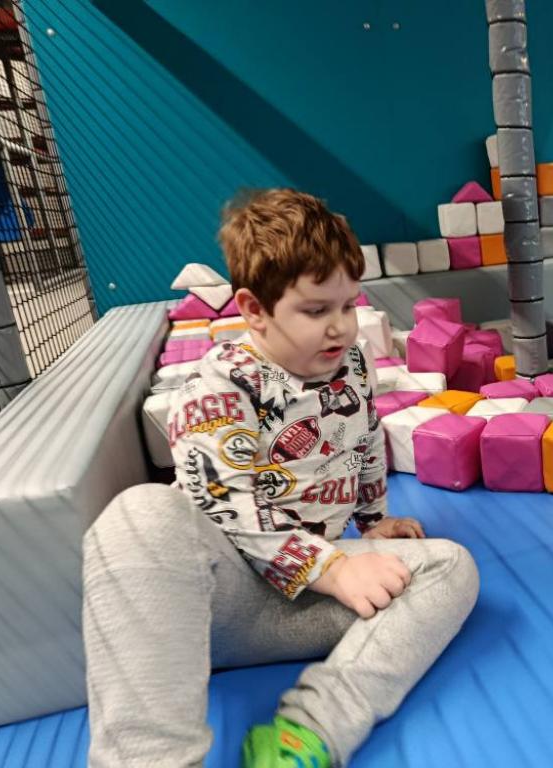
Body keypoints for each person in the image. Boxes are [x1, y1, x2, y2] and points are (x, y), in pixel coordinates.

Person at [81, 189, 479, 767]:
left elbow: (364, 438)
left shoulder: (352, 364)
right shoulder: (221, 385)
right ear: (255, 309)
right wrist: (332, 567)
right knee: (138, 515)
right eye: (316, 311)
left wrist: (373, 522)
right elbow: (227, 504)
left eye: (348, 305)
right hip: (217, 598)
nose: (340, 327)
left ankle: (304, 736)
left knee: (450, 568)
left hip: (296, 605)